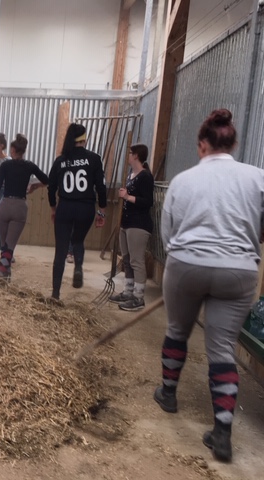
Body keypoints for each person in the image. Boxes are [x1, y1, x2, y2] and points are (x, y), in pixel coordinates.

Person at [154, 109, 264, 463]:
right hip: (239, 270)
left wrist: (180, 265)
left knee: (177, 330)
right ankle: (223, 432)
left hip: (187, 264)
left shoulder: (182, 181)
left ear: (202, 145)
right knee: (221, 348)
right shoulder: (257, 177)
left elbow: (168, 232)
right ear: (233, 144)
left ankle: (168, 393)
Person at [47, 123, 107, 300]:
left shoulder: (60, 161)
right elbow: (101, 187)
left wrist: (53, 208)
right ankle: (78, 267)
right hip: (86, 208)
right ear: (84, 139)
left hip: (65, 207)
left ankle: (55, 294)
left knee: (61, 250)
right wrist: (102, 211)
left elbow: (51, 187)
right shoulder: (94, 159)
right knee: (78, 240)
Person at [0, 134, 49, 278]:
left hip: (5, 206)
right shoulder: (30, 166)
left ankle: (4, 271)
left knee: (4, 244)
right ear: (23, 151)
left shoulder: (5, 165)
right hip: (20, 208)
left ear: (12, 150)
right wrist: (35, 186)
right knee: (10, 245)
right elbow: (47, 180)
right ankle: (4, 270)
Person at [108, 144, 154, 311]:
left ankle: (138, 297)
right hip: (126, 223)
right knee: (127, 259)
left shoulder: (145, 176)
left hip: (138, 224)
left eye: (129, 153)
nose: (127, 155)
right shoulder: (130, 174)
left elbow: (148, 202)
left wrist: (127, 196)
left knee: (136, 261)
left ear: (136, 156)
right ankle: (128, 291)